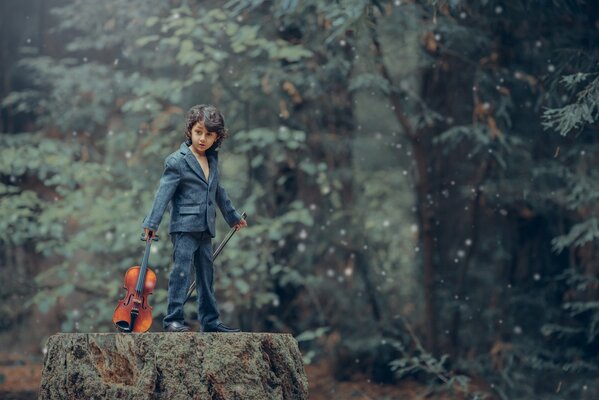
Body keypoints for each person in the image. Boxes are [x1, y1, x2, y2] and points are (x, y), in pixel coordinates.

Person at [142, 104, 247, 333]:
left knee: (206, 276)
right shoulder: (177, 161)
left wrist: (232, 217)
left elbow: (219, 192)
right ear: (190, 130)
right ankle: (172, 319)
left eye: (209, 134)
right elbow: (163, 194)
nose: (202, 138)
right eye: (199, 132)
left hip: (205, 228)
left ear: (217, 137)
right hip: (183, 227)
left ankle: (210, 321)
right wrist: (152, 223)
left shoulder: (212, 161)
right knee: (181, 272)